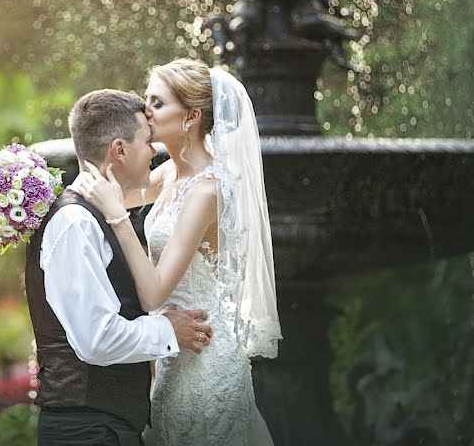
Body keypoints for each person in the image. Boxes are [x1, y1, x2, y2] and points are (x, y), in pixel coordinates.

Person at [78, 60, 282, 445]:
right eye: (145, 100)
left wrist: (120, 219)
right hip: (174, 347)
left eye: (156, 103)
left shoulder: (208, 190)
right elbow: (110, 191)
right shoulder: (170, 173)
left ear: (191, 116)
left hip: (206, 353)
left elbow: (154, 292)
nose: (144, 112)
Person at [25, 88, 215, 446]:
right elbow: (96, 339)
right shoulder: (75, 223)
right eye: (147, 141)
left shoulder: (93, 215)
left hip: (105, 428)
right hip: (86, 432)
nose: (154, 152)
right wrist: (167, 330)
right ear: (119, 149)